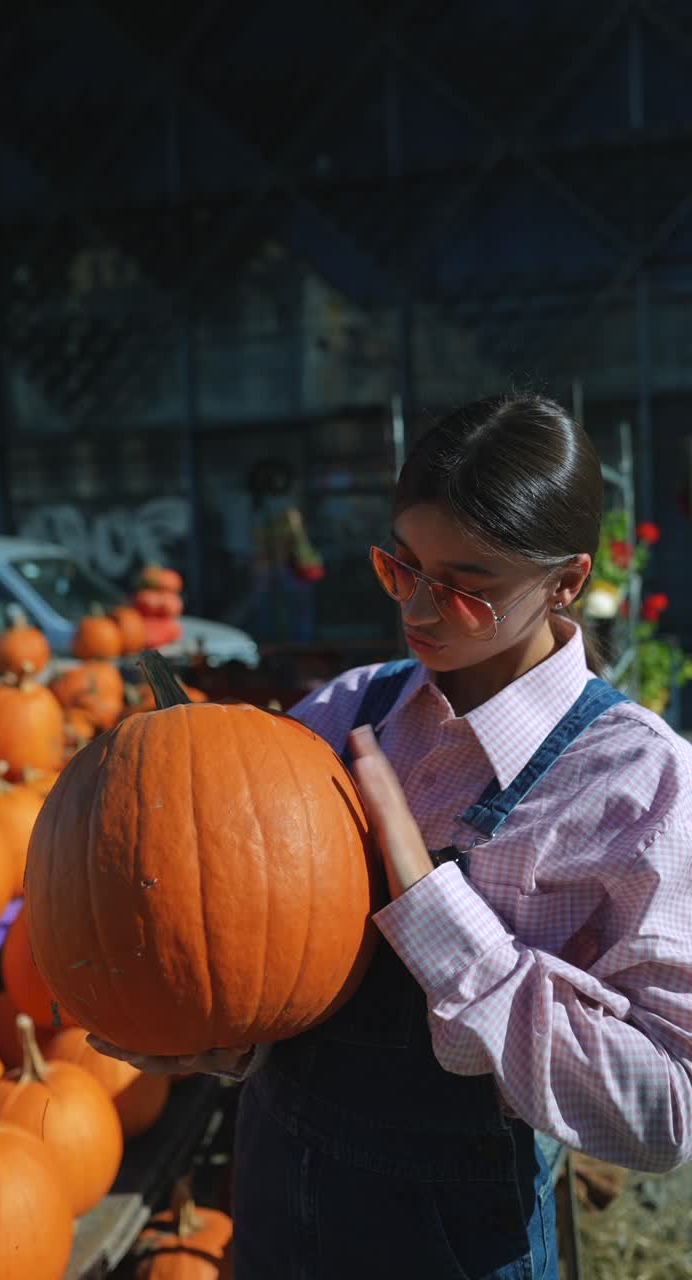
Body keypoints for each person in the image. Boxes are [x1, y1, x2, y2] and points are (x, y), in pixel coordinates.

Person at [90, 395, 692, 1280]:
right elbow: (255, 937)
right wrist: (229, 1037)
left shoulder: (637, 785)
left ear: (566, 582)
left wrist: (430, 904)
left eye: (466, 586)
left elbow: (663, 1111)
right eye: (400, 563)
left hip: (450, 1244)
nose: (417, 604)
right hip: (271, 1196)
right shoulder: (346, 711)